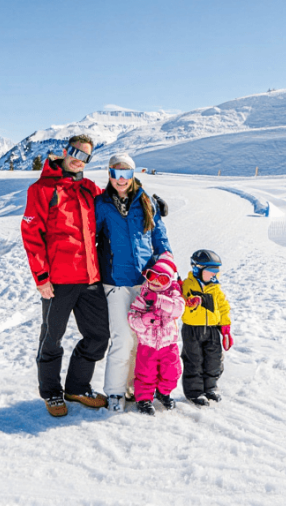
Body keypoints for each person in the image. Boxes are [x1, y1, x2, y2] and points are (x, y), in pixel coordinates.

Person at [21, 134, 109, 417]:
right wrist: (42, 277)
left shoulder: (90, 189)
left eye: (84, 156)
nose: (78, 158)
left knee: (98, 335)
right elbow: (31, 234)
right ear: (65, 151)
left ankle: (77, 387)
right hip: (58, 280)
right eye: (75, 152)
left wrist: (147, 205)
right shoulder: (42, 189)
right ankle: (51, 392)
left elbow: (116, 208)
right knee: (52, 338)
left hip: (90, 279)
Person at [95, 153, 172, 412]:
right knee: (122, 338)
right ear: (109, 175)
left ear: (133, 175)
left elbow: (160, 240)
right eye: (116, 174)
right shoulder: (102, 204)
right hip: (116, 281)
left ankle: (135, 387)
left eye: (126, 174)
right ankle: (115, 392)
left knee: (143, 338)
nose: (121, 179)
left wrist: (165, 268)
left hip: (146, 281)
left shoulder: (146, 201)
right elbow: (90, 238)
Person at [127, 255, 185, 416]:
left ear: (169, 281)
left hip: (169, 345)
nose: (156, 282)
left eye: (162, 279)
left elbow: (178, 309)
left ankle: (164, 392)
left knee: (172, 371)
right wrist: (144, 320)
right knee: (146, 373)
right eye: (152, 276)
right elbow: (132, 319)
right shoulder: (142, 298)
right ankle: (144, 399)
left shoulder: (173, 296)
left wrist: (159, 300)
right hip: (148, 346)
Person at [180, 249, 232, 406]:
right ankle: (194, 392)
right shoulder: (187, 285)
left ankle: (210, 388)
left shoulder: (215, 288)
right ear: (198, 269)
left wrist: (225, 328)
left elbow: (223, 307)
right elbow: (180, 304)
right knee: (194, 360)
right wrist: (189, 303)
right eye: (211, 271)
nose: (214, 275)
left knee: (214, 359)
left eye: (217, 271)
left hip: (212, 330)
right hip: (192, 329)